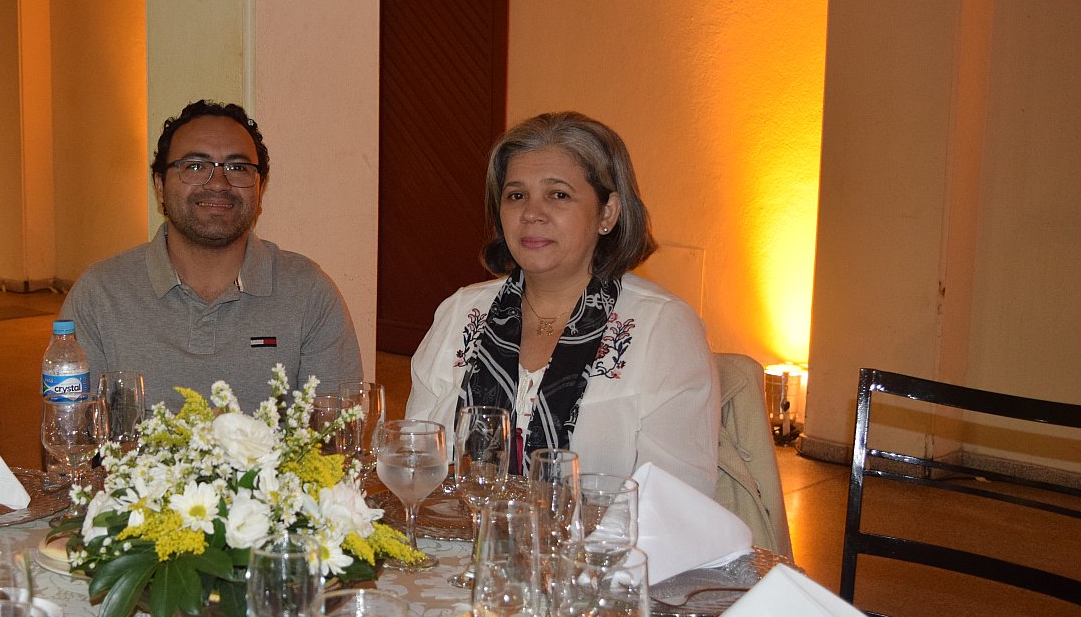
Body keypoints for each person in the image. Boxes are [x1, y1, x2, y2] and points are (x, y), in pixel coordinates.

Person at [405, 110, 719, 494]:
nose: (531, 214)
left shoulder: (663, 327)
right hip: (456, 530)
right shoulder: (460, 313)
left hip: (601, 535)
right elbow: (412, 461)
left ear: (607, 213)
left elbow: (676, 498)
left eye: (558, 195)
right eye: (516, 195)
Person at [61, 99, 362, 410]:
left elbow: (337, 431)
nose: (218, 183)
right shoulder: (99, 293)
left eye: (238, 168)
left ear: (259, 189)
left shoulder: (309, 292)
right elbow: (72, 428)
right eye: (195, 166)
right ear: (160, 186)